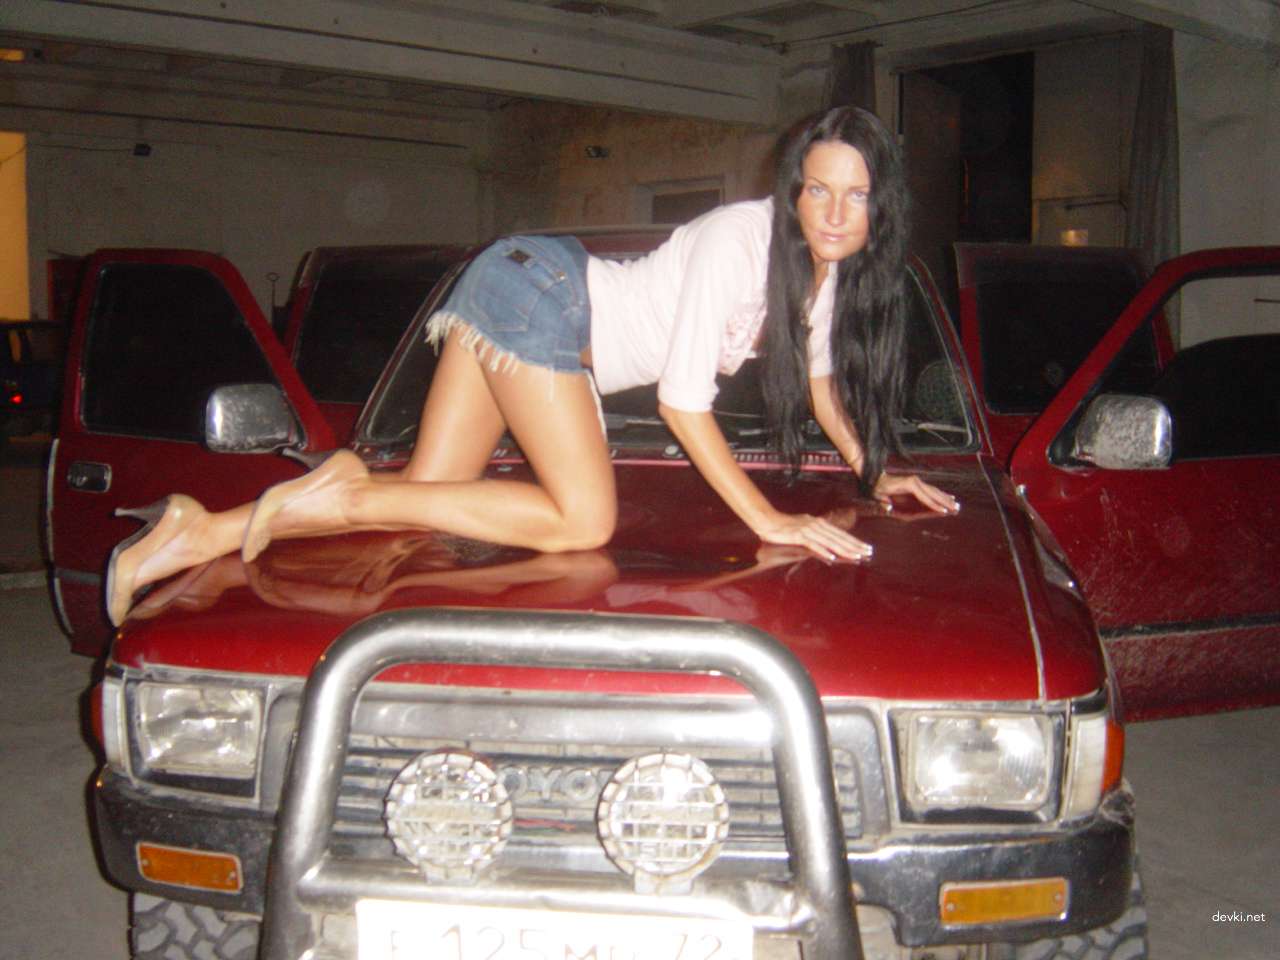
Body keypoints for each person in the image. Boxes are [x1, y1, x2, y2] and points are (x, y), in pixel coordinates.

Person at [105, 105, 959, 627]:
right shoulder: (742, 242)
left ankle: (195, 531)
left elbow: (820, 384)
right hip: (543, 297)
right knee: (582, 521)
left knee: (425, 504)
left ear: (880, 205)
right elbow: (682, 404)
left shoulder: (822, 278)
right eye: (818, 189)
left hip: (513, 284)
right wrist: (768, 520)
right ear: (794, 189)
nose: (834, 212)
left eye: (856, 194)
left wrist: (873, 472)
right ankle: (346, 485)